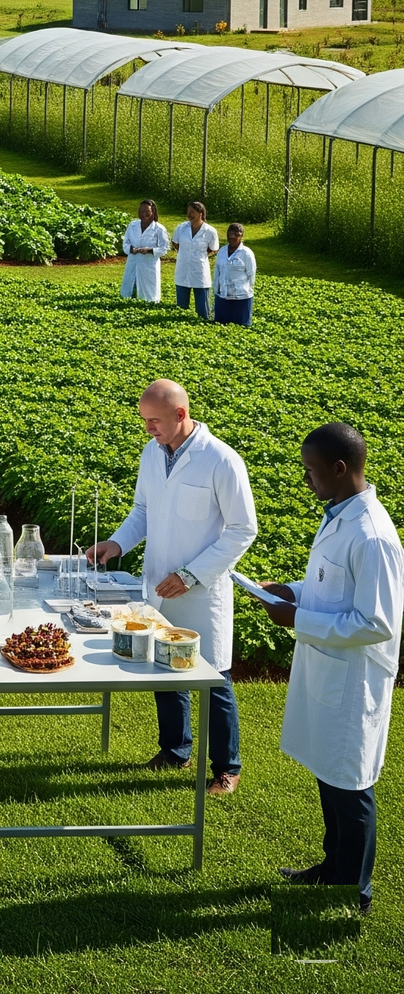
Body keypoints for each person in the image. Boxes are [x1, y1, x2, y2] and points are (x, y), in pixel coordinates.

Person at [89, 378, 258, 794]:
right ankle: (175, 750)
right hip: (158, 588)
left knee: (214, 678)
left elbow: (242, 530)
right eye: (145, 421)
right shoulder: (153, 453)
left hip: (201, 592)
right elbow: (143, 509)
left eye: (155, 421)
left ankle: (227, 767)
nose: (149, 429)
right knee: (165, 668)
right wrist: (117, 542)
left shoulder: (221, 460)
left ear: (181, 415)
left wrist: (190, 576)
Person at [261, 422, 402, 915]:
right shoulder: (339, 513)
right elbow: (331, 586)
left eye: (312, 471)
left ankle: (354, 891)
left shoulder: (373, 536)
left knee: (351, 784)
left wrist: (298, 618)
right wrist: (294, 593)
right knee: (329, 775)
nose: (307, 480)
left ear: (340, 469)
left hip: (354, 678)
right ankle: (332, 867)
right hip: (328, 668)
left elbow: (377, 622)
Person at [172, 200, 219, 322]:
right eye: (188, 212)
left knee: (202, 304)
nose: (189, 215)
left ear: (200, 213)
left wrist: (197, 255)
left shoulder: (210, 231)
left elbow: (213, 248)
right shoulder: (181, 228)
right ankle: (181, 321)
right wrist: (186, 253)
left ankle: (203, 320)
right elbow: (175, 242)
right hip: (183, 266)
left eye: (192, 212)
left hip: (199, 268)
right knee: (181, 304)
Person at [120, 200, 169, 302]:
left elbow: (164, 248)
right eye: (140, 211)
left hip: (149, 263)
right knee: (129, 286)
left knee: (148, 293)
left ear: (153, 212)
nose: (143, 214)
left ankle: (148, 302)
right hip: (133, 260)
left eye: (147, 211)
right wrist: (131, 249)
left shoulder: (159, 229)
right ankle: (128, 299)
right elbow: (126, 242)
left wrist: (150, 250)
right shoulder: (132, 225)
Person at [214, 223, 256, 327]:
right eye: (230, 234)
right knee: (221, 325)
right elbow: (218, 272)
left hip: (242, 296)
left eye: (235, 234)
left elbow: (251, 274)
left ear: (241, 236)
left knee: (241, 326)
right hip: (223, 295)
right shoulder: (222, 251)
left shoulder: (246, 253)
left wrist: (247, 288)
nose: (232, 237)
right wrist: (216, 290)